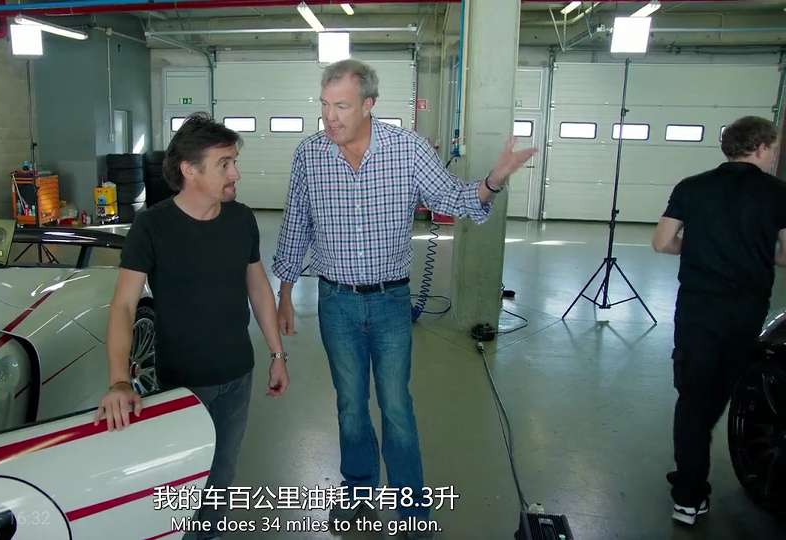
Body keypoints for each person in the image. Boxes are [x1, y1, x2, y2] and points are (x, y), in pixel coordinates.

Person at [272, 59, 536, 537]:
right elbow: (297, 225)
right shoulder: (309, 154)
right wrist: (285, 292)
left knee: (396, 406)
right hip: (336, 303)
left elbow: (453, 199)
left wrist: (493, 181)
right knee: (350, 405)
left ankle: (412, 510)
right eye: (325, 105)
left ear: (369, 104)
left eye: (341, 106)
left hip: (391, 303)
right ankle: (358, 493)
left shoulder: (407, 149)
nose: (330, 117)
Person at [95, 113, 290, 539]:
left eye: (234, 162)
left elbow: (259, 287)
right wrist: (118, 381)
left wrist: (277, 354)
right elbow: (124, 306)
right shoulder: (152, 226)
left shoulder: (241, 219)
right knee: (183, 482)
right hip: (182, 382)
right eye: (224, 164)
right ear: (190, 169)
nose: (235, 173)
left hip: (238, 374)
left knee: (222, 477)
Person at [652, 115, 786, 526]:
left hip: (697, 309)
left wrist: (697, 247)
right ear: (761, 147)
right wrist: (757, 250)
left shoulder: (691, 187)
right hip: (746, 311)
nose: (774, 155)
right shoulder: (778, 193)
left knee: (692, 399)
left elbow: (662, 241)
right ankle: (692, 475)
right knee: (721, 394)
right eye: (773, 148)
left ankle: (688, 494)